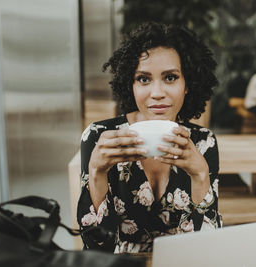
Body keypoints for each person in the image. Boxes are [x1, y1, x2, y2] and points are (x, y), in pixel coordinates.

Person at [77, 22, 222, 253]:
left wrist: (201, 175)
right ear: (130, 85)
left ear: (188, 85)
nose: (157, 93)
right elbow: (96, 246)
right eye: (144, 79)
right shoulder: (98, 138)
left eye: (171, 78)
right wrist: (96, 172)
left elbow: (207, 247)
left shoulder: (203, 141)